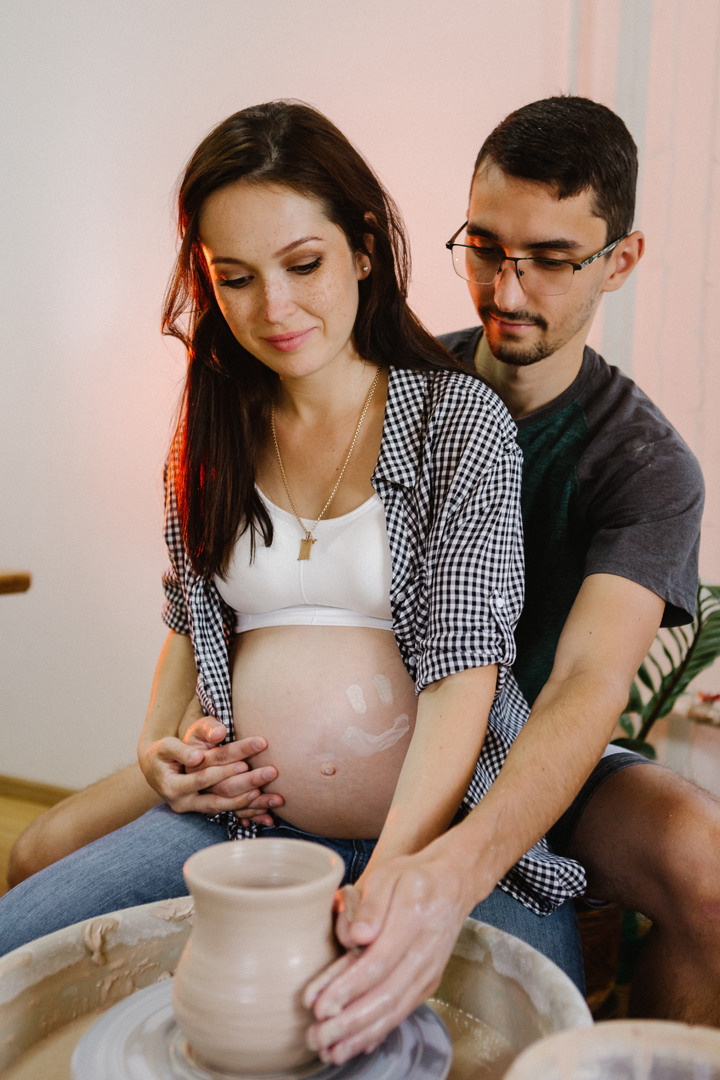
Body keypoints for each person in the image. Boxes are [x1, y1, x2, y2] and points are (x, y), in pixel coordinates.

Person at [0, 101, 586, 980]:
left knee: (525, 1040)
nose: (273, 307)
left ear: (360, 247)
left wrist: (394, 878)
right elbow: (186, 616)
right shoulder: (215, 428)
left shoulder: (456, 422)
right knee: (21, 944)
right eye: (234, 277)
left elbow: (465, 675)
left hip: (434, 840)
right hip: (238, 823)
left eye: (302, 264)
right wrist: (158, 747)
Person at [299, 96, 720, 1065]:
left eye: (552, 258)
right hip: (386, 726)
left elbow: (586, 688)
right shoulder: (395, 386)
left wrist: (464, 863)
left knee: (707, 862)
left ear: (621, 259)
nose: (507, 285)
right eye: (484, 247)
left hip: (544, 751)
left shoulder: (647, 465)